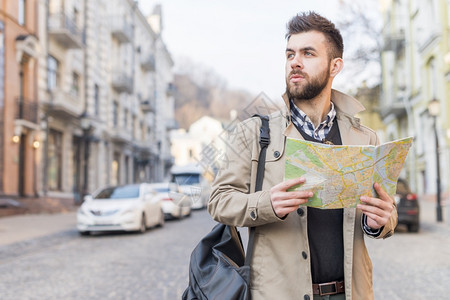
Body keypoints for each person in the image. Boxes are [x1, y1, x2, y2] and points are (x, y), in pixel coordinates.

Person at [208, 11, 397, 300]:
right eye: (290, 54)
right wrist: (267, 203)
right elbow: (219, 200)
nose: (295, 62)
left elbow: (382, 212)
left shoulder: (365, 138)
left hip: (350, 293)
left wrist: (380, 222)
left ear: (335, 66)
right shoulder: (254, 132)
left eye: (308, 53)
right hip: (278, 294)